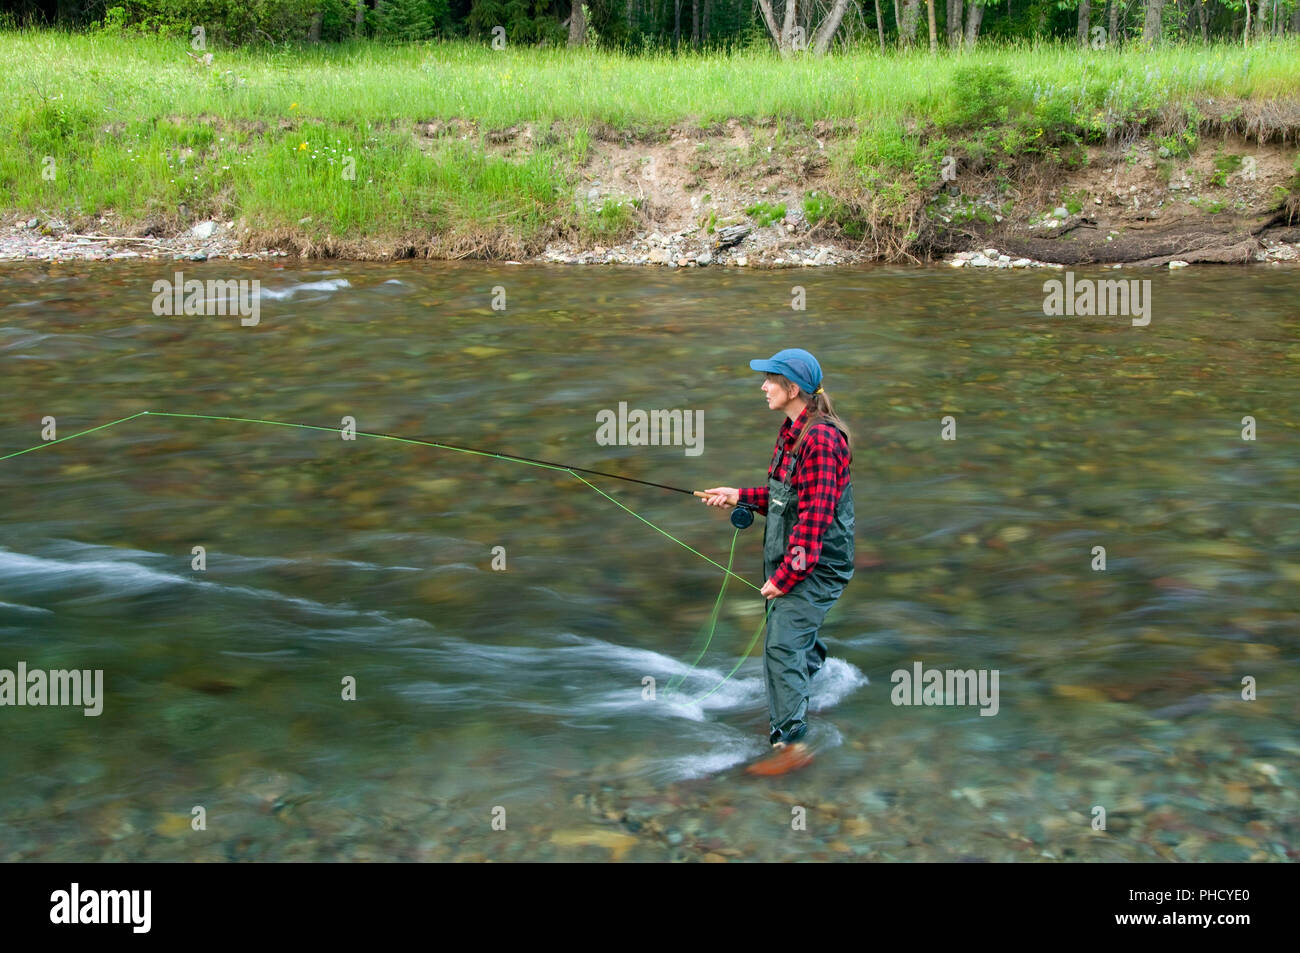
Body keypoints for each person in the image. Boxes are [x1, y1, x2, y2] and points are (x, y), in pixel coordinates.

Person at [701, 348, 855, 754]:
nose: (763, 386)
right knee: (791, 640)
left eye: (770, 379)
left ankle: (791, 745)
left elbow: (815, 519)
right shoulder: (793, 431)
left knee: (782, 646)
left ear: (793, 388)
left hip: (814, 564)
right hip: (796, 557)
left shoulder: (820, 440)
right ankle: (815, 685)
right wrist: (739, 497)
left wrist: (785, 578)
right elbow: (786, 498)